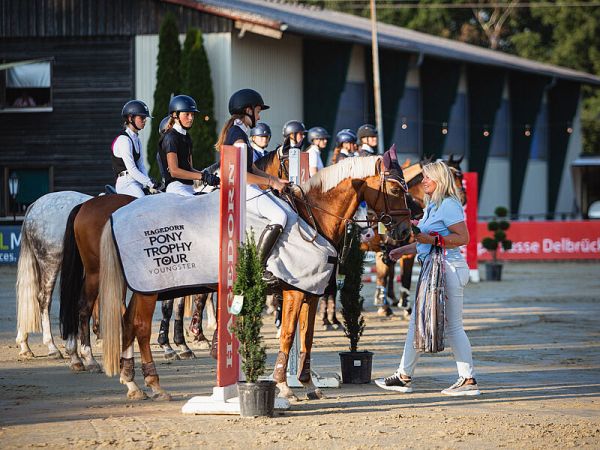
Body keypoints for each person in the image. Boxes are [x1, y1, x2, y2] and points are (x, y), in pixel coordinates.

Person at [376, 160, 479, 397]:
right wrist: (402, 250)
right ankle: (404, 376)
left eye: (427, 178)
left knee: (453, 327)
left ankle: (468, 379)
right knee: (416, 323)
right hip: (435, 269)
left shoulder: (449, 205)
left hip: (449, 269)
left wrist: (431, 240)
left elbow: (463, 238)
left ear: (439, 181)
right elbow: (424, 241)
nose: (422, 182)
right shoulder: (433, 205)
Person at [215, 88, 289, 283]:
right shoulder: (238, 137)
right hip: (241, 190)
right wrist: (271, 182)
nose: (259, 115)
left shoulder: (240, 132)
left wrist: (275, 180)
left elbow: (253, 168)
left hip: (246, 188)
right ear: (247, 110)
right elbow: (242, 175)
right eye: (257, 111)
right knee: (280, 216)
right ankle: (259, 267)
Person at [159, 94, 219, 196]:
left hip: (189, 187)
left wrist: (207, 175)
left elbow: (189, 168)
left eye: (192, 115)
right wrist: (202, 177)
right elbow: (174, 171)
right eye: (187, 114)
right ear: (175, 115)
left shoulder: (186, 137)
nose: (191, 118)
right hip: (176, 187)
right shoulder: (170, 137)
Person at [111, 100, 161, 198]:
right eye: (142, 117)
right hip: (126, 183)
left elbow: (141, 165)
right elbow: (132, 169)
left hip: (137, 182)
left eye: (145, 118)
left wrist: (149, 184)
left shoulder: (137, 140)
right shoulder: (124, 140)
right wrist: (149, 182)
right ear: (130, 118)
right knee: (143, 202)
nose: (145, 120)